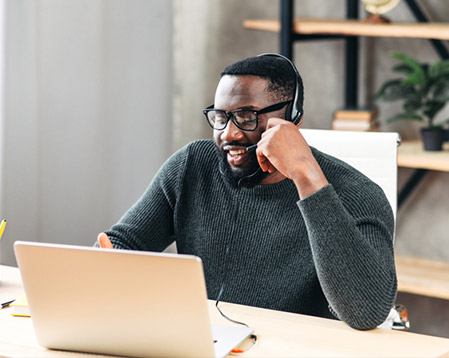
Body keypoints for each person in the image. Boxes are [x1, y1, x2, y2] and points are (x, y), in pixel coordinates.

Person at [96, 54, 397, 331]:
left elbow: (366, 312)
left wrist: (306, 178)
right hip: (208, 342)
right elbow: (122, 242)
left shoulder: (358, 194)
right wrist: (108, 266)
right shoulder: (192, 166)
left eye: (247, 117)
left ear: (292, 119)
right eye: (220, 117)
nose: (229, 134)